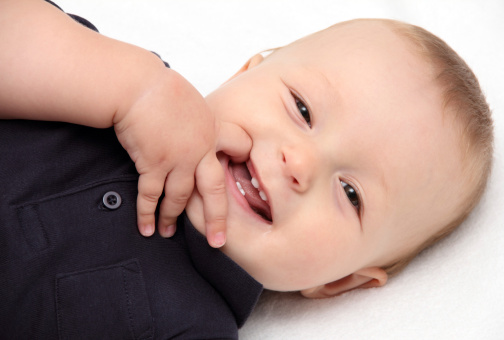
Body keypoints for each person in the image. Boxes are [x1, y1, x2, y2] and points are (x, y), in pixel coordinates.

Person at [0, 0, 493, 338]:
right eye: (301, 110)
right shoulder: (120, 78)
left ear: (342, 282)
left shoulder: (192, 326)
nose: (299, 164)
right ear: (246, 72)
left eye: (350, 193)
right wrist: (133, 89)